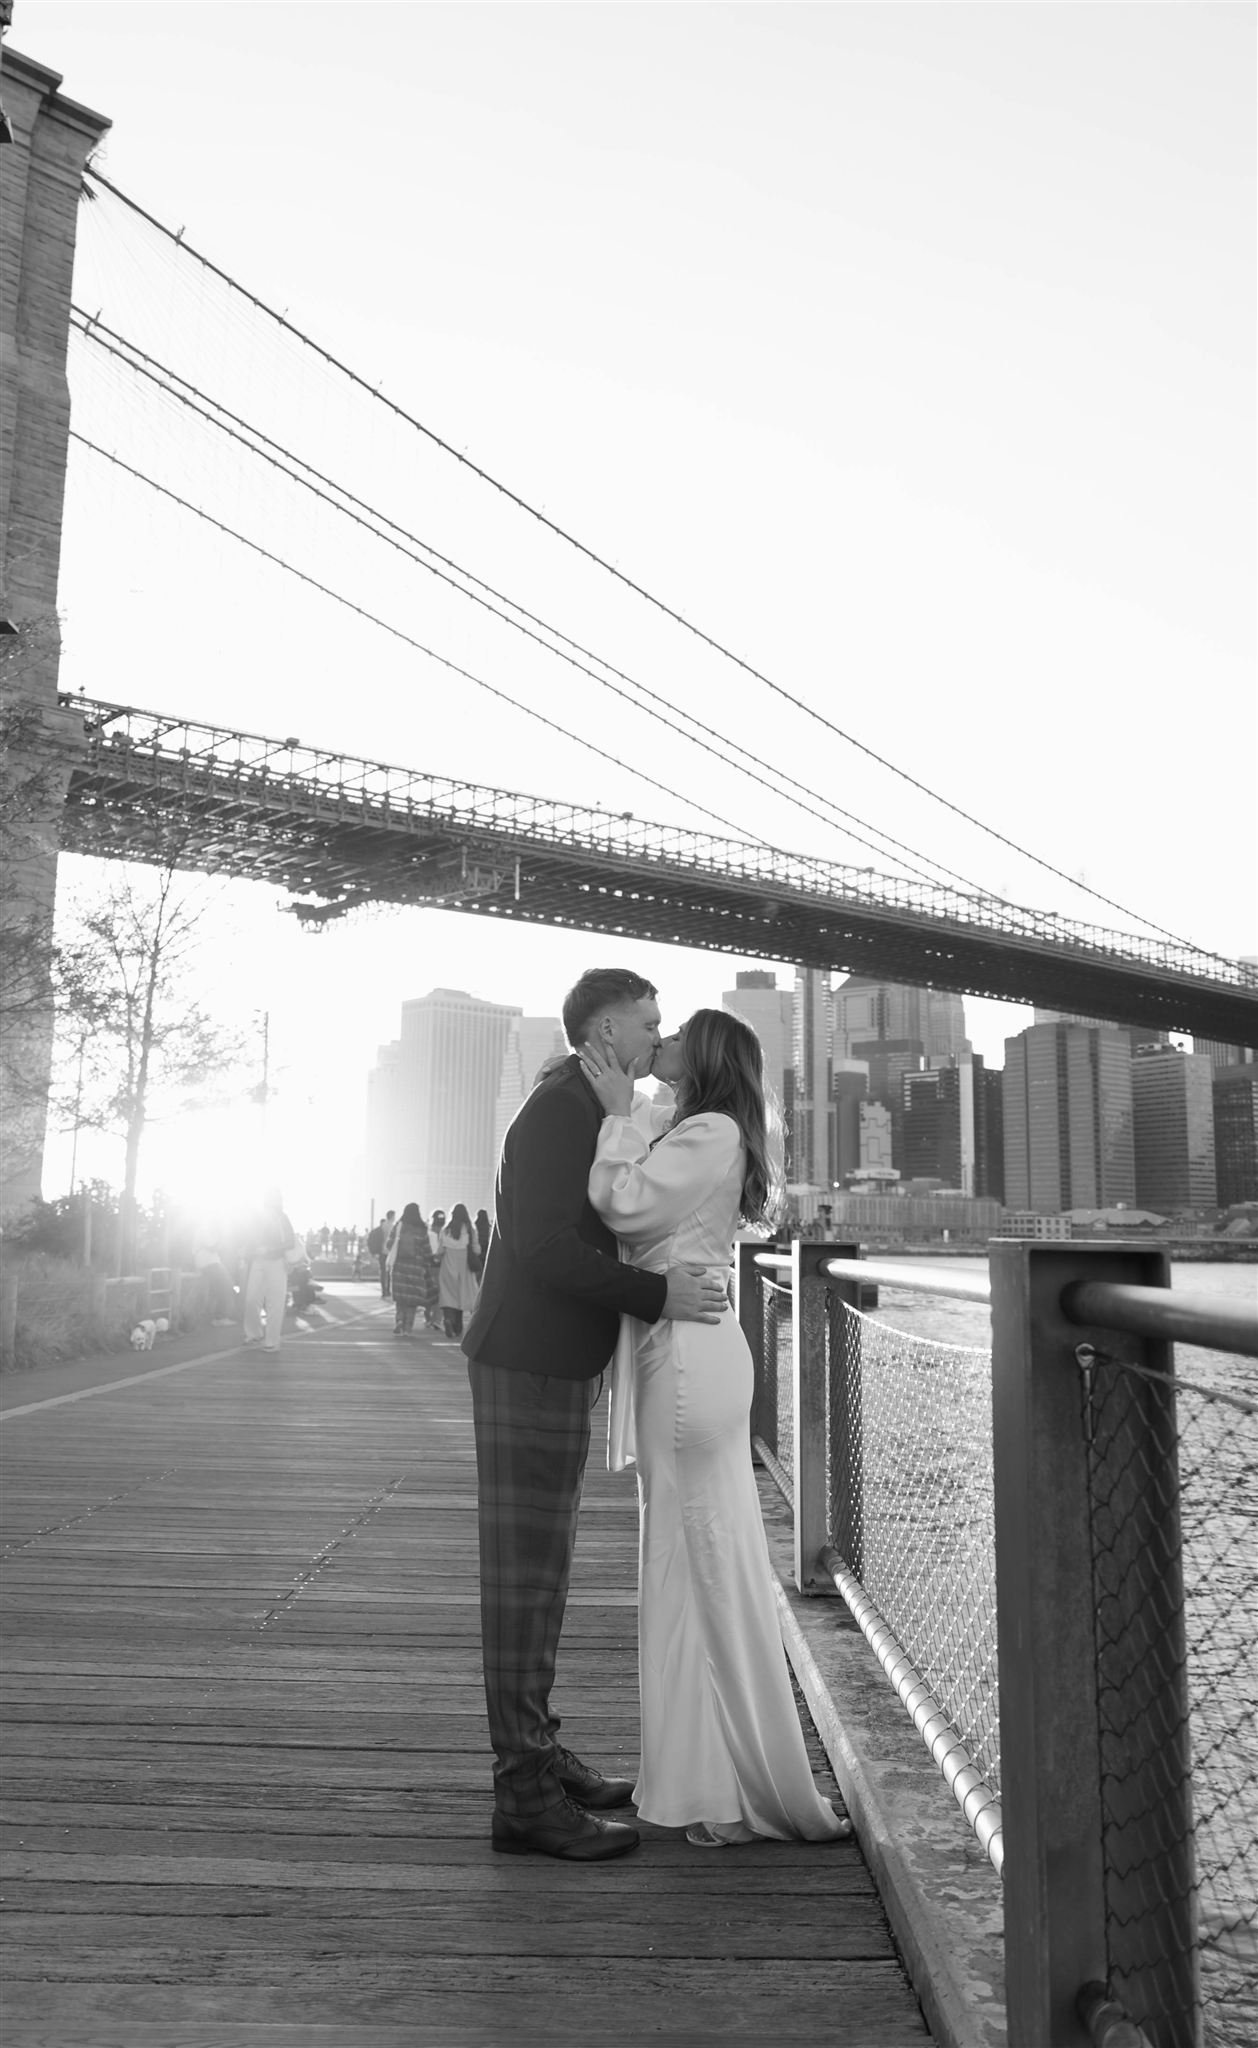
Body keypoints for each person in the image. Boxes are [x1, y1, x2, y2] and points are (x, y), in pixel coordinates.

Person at [461, 966, 729, 1863]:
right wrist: (658, 1295)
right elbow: (543, 1248)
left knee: (543, 1572)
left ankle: (538, 1756)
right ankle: (523, 1795)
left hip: (550, 1363)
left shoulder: (590, 1103)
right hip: (528, 1361)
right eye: (648, 1023)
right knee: (524, 1577)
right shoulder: (558, 1110)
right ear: (607, 1030)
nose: (658, 1036)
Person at [583, 1009, 851, 1850]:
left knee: (696, 1567)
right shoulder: (699, 1126)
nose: (661, 1041)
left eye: (674, 1036)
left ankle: (738, 1791)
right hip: (688, 1353)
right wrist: (632, 1102)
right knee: (692, 1567)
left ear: (700, 1056)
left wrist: (617, 1116)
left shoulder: (709, 1131)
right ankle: (705, 1781)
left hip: (688, 1365)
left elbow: (623, 1203)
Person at [240, 1187, 298, 1356]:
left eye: (276, 1197)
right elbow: (251, 1239)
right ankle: (254, 1334)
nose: (273, 1200)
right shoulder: (258, 1217)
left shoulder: (282, 1217)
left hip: (277, 1263)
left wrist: (269, 1249)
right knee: (251, 1299)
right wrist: (246, 1251)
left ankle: (272, 1342)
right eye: (270, 1197)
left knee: (275, 1303)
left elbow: (290, 1242)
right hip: (258, 1262)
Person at [388, 1201, 438, 1336]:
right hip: (416, 1268)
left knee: (400, 1297)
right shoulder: (422, 1229)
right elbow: (427, 1249)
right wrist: (429, 1262)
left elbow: (389, 1244)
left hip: (399, 1267)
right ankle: (408, 1328)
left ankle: (399, 1320)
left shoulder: (399, 1226)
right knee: (412, 1299)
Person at [436, 1203, 480, 1338]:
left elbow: (440, 1250)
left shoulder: (445, 1230)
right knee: (461, 1295)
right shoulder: (470, 1230)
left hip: (447, 1265)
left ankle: (448, 1319)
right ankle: (458, 1327)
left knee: (447, 1295)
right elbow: (477, 1249)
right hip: (464, 1267)